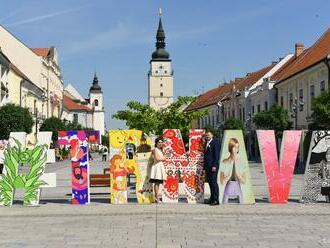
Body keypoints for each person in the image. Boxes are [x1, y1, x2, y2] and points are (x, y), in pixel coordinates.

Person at [220, 138, 246, 204]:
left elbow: (244, 181)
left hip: (238, 188)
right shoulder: (224, 162)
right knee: (225, 200)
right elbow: (222, 182)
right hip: (227, 188)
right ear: (230, 148)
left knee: (240, 199)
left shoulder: (242, 162)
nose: (236, 149)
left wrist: (237, 174)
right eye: (234, 147)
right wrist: (228, 176)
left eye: (237, 147)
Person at [203, 131, 220, 205]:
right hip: (207, 167)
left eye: (209, 135)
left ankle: (216, 200)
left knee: (213, 183)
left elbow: (216, 156)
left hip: (213, 167)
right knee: (210, 183)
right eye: (206, 135)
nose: (207, 136)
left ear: (212, 135)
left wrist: (214, 166)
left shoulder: (215, 143)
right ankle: (212, 198)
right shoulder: (206, 143)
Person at [150, 137, 166, 203]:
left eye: (161, 142)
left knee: (158, 183)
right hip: (157, 167)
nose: (160, 143)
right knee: (157, 183)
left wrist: (162, 158)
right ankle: (156, 198)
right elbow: (157, 158)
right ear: (156, 143)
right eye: (159, 142)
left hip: (159, 167)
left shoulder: (160, 150)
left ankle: (157, 198)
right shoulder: (155, 149)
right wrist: (164, 158)